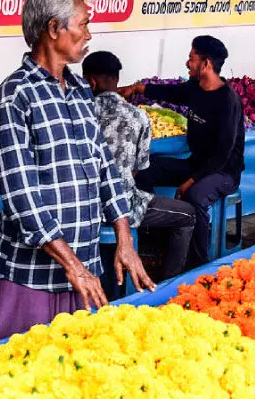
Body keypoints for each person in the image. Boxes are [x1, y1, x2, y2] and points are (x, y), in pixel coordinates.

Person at [0, 0, 154, 342]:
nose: (90, 35)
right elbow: (22, 199)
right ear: (53, 28)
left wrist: (124, 238)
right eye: (84, 24)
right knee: (23, 380)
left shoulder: (79, 89)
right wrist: (74, 267)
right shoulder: (14, 99)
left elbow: (105, 168)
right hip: (33, 277)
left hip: (84, 271)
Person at [119, 36, 245, 268]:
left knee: (195, 196)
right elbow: (171, 93)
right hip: (197, 164)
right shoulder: (195, 89)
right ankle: (155, 243)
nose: (187, 63)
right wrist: (137, 88)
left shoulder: (228, 101)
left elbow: (222, 155)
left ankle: (199, 263)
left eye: (191, 58)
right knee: (146, 170)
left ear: (206, 63)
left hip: (224, 172)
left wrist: (190, 181)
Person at [82, 51, 196, 281]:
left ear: (90, 82)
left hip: (81, 207)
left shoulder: (77, 115)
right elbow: (140, 167)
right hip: (123, 207)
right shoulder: (138, 117)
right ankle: (166, 283)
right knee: (188, 215)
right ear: (116, 79)